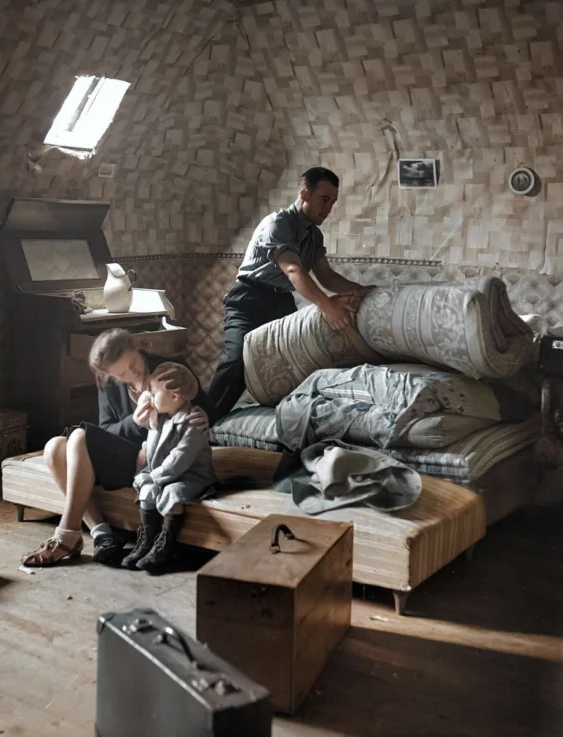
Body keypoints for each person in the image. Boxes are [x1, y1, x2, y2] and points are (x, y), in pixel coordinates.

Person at [21, 329, 213, 567]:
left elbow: (206, 408)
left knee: (78, 436)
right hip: (126, 454)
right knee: (54, 447)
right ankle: (101, 532)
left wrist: (203, 416)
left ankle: (67, 534)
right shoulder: (109, 384)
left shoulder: (169, 369)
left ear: (137, 348)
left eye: (133, 363)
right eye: (122, 373)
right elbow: (107, 429)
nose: (132, 373)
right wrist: (134, 423)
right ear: (110, 374)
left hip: (155, 458)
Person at [207, 166, 375, 421]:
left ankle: (284, 421)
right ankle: (205, 421)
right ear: (304, 193)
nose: (328, 208)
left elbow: (327, 277)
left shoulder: (314, 235)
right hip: (249, 298)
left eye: (332, 202)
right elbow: (293, 270)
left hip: (280, 301)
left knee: (291, 360)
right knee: (237, 359)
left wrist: (362, 291)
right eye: (324, 199)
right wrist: (327, 307)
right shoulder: (277, 223)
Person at [121, 362, 217, 572]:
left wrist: (153, 476)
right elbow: (152, 447)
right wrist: (149, 477)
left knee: (172, 493)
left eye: (154, 392)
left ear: (174, 396)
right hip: (162, 474)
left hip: (191, 476)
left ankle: (166, 546)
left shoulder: (193, 422)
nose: (150, 396)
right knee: (147, 491)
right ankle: (146, 541)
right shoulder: (160, 416)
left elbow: (178, 459)